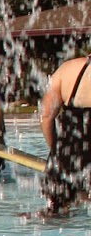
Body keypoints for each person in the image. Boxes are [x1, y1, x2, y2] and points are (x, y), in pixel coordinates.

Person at [39, 54, 91, 217]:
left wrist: (56, 152)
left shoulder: (67, 69)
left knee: (54, 213)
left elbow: (46, 117)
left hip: (67, 151)